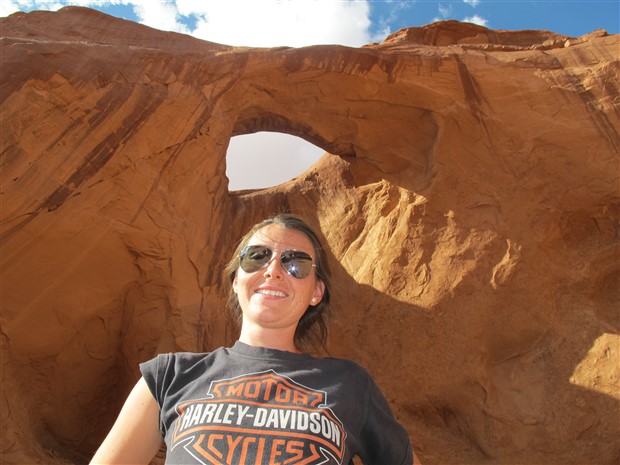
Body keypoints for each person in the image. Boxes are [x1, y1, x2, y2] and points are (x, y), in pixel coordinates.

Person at [90, 213, 415, 465]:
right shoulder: (169, 377)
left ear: (316, 292)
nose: (273, 270)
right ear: (236, 280)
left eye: (296, 263)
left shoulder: (350, 384)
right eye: (257, 256)